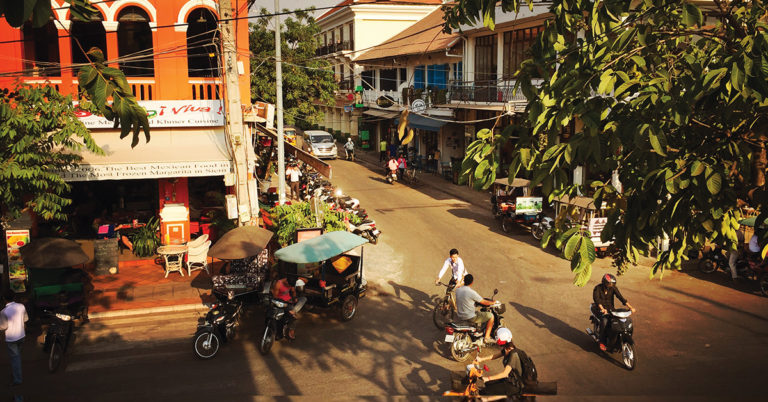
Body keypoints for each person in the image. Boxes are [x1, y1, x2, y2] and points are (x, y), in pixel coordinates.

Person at [592, 273, 636, 351]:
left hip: (611, 309)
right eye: (610, 284)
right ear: (605, 283)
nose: (611, 285)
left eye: (612, 284)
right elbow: (597, 300)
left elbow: (620, 297)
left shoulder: (613, 288)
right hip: (600, 309)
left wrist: (630, 307)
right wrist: (602, 309)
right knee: (605, 322)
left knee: (618, 321)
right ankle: (602, 341)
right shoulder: (597, 288)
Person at [475, 328, 522, 397]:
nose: (496, 339)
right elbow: (494, 356)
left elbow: (504, 374)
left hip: (515, 385)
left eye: (497, 338)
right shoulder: (507, 349)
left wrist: (488, 378)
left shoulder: (513, 355)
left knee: (485, 391)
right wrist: (481, 359)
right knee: (488, 384)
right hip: (510, 379)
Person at [455, 274, 496, 343]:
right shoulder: (471, 292)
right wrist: (493, 302)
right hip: (470, 317)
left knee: (476, 312)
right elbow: (484, 302)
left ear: (464, 281)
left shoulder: (458, 290)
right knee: (491, 316)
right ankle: (487, 338)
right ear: (472, 282)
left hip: (460, 315)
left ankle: (477, 331)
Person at [2, 293, 28, 386]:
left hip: (11, 339)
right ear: (14, 297)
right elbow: (25, 319)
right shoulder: (21, 306)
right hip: (21, 335)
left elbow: (3, 326)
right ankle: (16, 374)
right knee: (17, 356)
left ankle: (17, 379)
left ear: (4, 299)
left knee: (15, 359)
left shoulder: (3, 312)